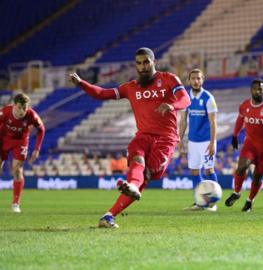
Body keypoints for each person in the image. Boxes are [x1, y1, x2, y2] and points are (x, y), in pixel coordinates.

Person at [70, 47, 190, 228]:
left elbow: (185, 99)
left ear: (154, 62)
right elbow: (102, 93)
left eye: (146, 62)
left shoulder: (169, 79)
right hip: (143, 136)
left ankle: (110, 214)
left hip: (166, 139)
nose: (142, 66)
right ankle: (128, 192)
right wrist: (81, 83)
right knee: (136, 158)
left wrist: (172, 106)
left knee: (147, 174)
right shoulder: (131, 87)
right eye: (139, 63)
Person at [224, 79, 263, 212]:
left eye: (260, 89)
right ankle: (236, 193)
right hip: (250, 144)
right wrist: (235, 135)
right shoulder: (244, 105)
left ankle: (249, 201)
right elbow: (240, 119)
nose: (258, 91)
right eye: (255, 89)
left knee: (257, 176)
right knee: (242, 166)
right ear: (251, 90)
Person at [178, 69, 218, 211]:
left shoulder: (208, 98)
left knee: (208, 170)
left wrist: (212, 143)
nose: (196, 81)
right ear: (189, 80)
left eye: (198, 78)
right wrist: (179, 140)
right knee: (194, 171)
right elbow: (183, 121)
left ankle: (213, 203)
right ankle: (200, 202)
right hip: (193, 141)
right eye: (193, 78)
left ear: (203, 80)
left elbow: (213, 122)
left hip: (207, 141)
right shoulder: (185, 98)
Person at [0, 93, 45, 213]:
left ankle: (16, 203)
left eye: (24, 108)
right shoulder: (5, 112)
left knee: (17, 169)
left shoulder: (31, 115)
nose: (22, 111)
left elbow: (41, 129)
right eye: (19, 107)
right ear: (14, 105)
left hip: (20, 141)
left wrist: (37, 149)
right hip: (3, 139)